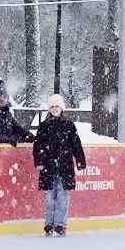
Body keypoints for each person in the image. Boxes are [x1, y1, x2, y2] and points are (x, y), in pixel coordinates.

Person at [32, 94, 86, 237]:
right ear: (49, 109)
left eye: (57, 106)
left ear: (61, 108)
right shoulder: (44, 126)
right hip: (49, 167)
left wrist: (80, 160)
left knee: (62, 196)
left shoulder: (68, 124)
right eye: (52, 106)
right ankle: (49, 223)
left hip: (64, 167)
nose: (55, 109)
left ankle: (60, 225)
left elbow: (76, 144)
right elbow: (38, 145)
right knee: (50, 198)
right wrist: (39, 161)